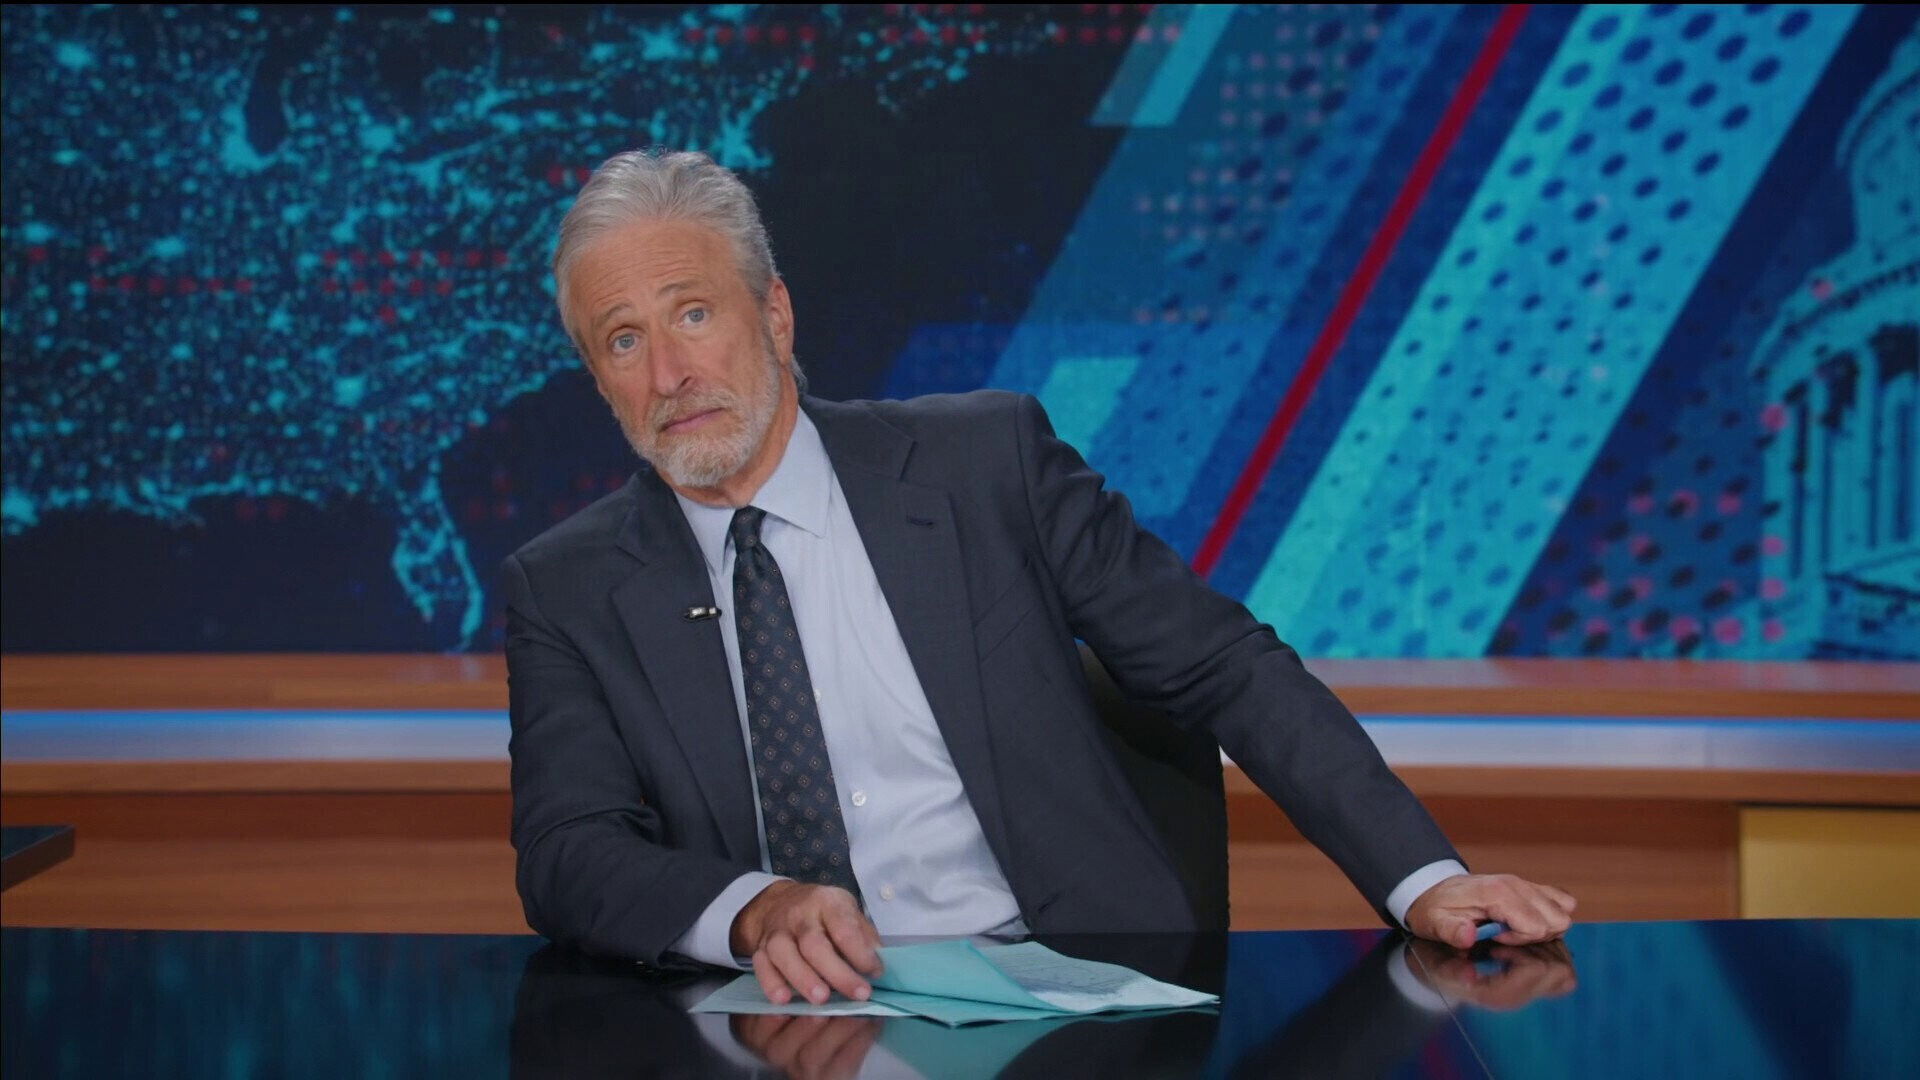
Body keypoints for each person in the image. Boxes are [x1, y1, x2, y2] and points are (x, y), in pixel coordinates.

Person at [505, 148, 1576, 1009]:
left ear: (774, 315)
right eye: (624, 340)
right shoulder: (566, 589)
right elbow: (567, 850)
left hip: (1067, 1001)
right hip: (786, 1021)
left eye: (693, 314)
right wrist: (752, 909)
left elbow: (1224, 665)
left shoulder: (987, 465)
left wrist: (1426, 880)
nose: (670, 373)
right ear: (598, 380)